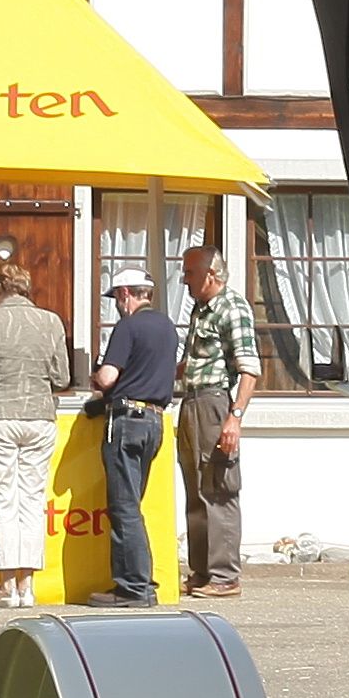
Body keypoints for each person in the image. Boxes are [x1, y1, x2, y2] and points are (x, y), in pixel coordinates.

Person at [0, 260, 71, 608]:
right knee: (33, 500)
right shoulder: (50, 321)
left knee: (3, 499)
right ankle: (28, 584)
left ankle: (7, 586)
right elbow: (62, 378)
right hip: (39, 415)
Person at [85, 275, 179, 603]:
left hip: (126, 421)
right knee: (133, 505)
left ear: (126, 294)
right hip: (155, 421)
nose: (117, 306)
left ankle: (135, 587)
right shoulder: (168, 326)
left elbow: (109, 377)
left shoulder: (128, 327)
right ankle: (139, 583)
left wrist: (96, 376)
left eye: (116, 299)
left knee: (124, 507)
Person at [172, 241, 254, 598]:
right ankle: (202, 571)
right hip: (190, 402)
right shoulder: (200, 309)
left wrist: (234, 417)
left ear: (210, 274)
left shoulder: (232, 307)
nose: (184, 279)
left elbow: (249, 367)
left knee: (219, 487)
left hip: (214, 403)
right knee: (196, 489)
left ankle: (225, 576)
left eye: (190, 272)